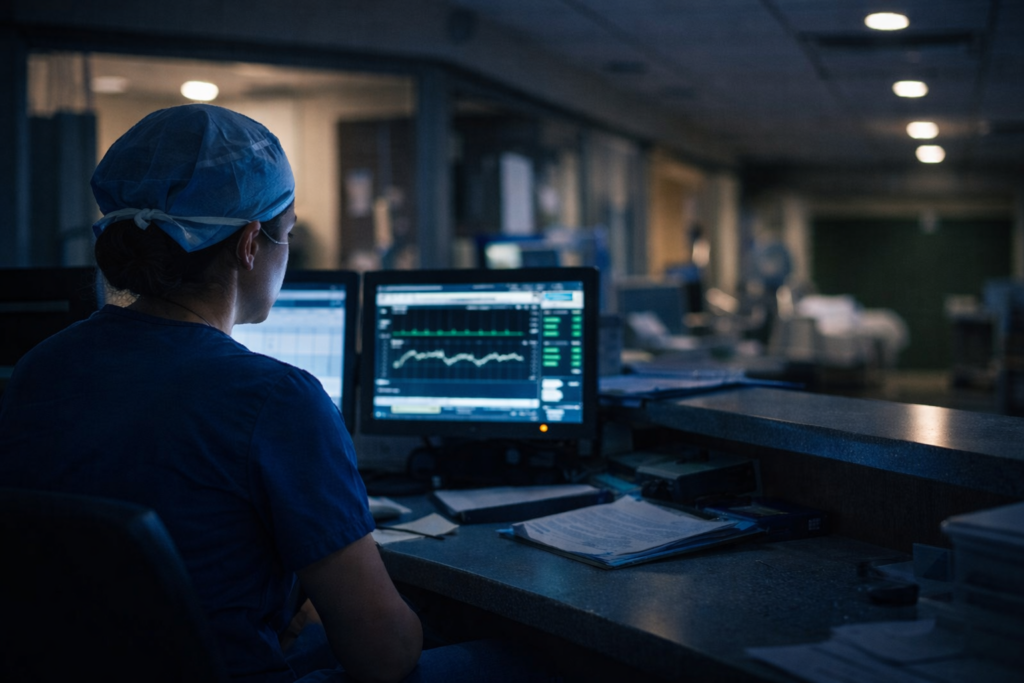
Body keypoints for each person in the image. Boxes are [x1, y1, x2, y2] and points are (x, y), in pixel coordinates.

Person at [0, 105, 554, 683]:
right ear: (247, 245)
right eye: (285, 235)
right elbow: (384, 656)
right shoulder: (276, 399)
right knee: (524, 662)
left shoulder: (41, 367)